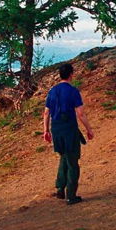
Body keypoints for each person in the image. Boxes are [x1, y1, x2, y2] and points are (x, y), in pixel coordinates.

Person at [43, 63, 94, 205]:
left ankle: (60, 187)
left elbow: (46, 113)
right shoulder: (73, 91)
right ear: (71, 74)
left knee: (63, 156)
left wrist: (46, 130)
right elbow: (80, 114)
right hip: (69, 129)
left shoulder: (52, 91)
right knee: (72, 162)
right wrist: (89, 130)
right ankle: (71, 195)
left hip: (56, 129)